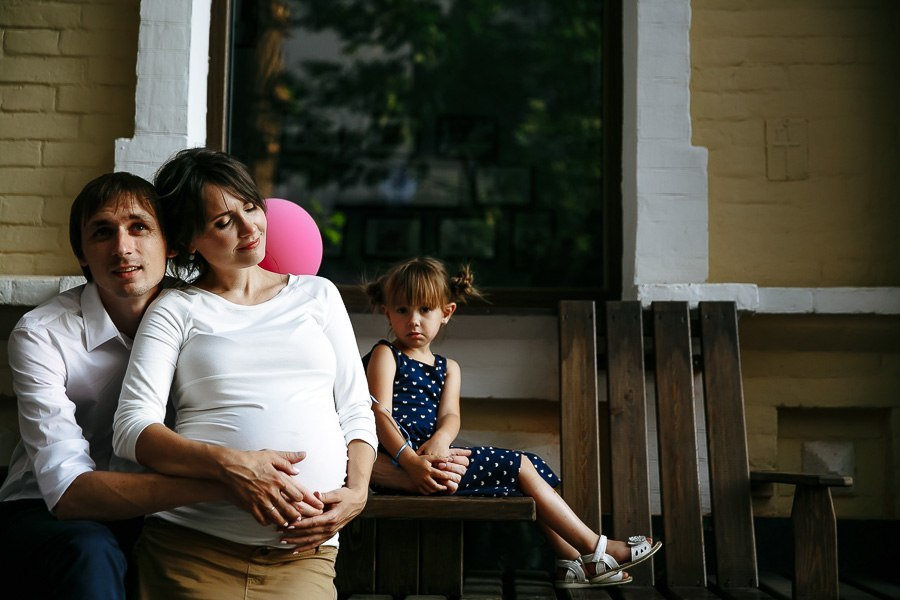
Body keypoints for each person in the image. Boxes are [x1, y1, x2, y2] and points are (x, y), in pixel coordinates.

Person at [0, 172, 311, 599]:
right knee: (91, 551)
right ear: (83, 255)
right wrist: (229, 483)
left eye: (139, 227)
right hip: (47, 511)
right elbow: (69, 492)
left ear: (173, 245)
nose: (122, 248)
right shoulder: (42, 334)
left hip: (169, 512)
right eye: (102, 232)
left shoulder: (205, 316)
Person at [112, 147, 377, 599]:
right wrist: (232, 465)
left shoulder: (318, 296)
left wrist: (358, 493)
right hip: (193, 547)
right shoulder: (175, 309)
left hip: (302, 554)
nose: (249, 227)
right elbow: (131, 429)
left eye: (251, 207)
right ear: (190, 240)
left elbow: (355, 409)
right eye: (223, 222)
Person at [362, 257, 662, 589]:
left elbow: (450, 417)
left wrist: (441, 441)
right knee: (521, 465)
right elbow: (379, 414)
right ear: (387, 313)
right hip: (400, 462)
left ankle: (571, 563)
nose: (413, 320)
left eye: (425, 310)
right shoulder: (386, 354)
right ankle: (596, 547)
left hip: (436, 457)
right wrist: (410, 460)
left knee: (530, 467)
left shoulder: (449, 368)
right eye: (402, 310)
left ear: (446, 312)